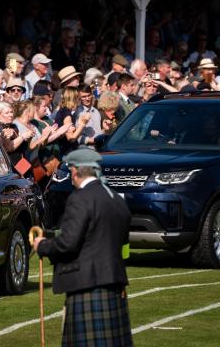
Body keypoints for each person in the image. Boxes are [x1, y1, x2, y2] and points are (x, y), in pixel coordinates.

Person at [33, 148, 133, 347]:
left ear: (75, 171)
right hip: (115, 282)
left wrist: (43, 246)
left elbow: (68, 243)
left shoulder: (80, 198)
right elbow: (121, 243)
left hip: (87, 284)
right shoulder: (116, 198)